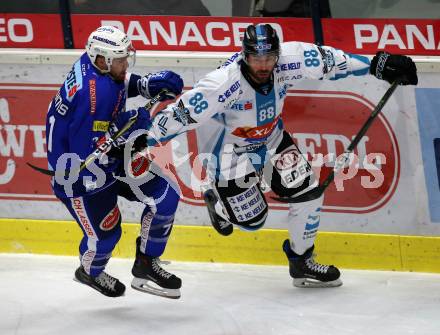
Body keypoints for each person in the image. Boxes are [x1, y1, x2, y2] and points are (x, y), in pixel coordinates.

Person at [145, 23, 418, 288]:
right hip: (230, 156)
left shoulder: (293, 58)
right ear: (244, 55)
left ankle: (302, 261)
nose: (263, 66)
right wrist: (143, 141)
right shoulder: (222, 84)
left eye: (269, 58)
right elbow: (180, 115)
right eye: (255, 58)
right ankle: (218, 203)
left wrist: (378, 64)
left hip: (273, 140)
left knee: (309, 193)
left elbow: (333, 61)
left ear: (278, 54)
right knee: (253, 222)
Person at [45, 26, 184, 298]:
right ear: (102, 59)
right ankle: (90, 272)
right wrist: (122, 132)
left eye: (124, 58)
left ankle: (146, 263)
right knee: (107, 236)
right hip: (80, 176)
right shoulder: (90, 95)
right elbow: (89, 151)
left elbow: (118, 82)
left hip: (107, 159)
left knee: (165, 198)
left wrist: (144, 85)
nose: (125, 64)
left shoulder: (94, 65)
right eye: (120, 60)